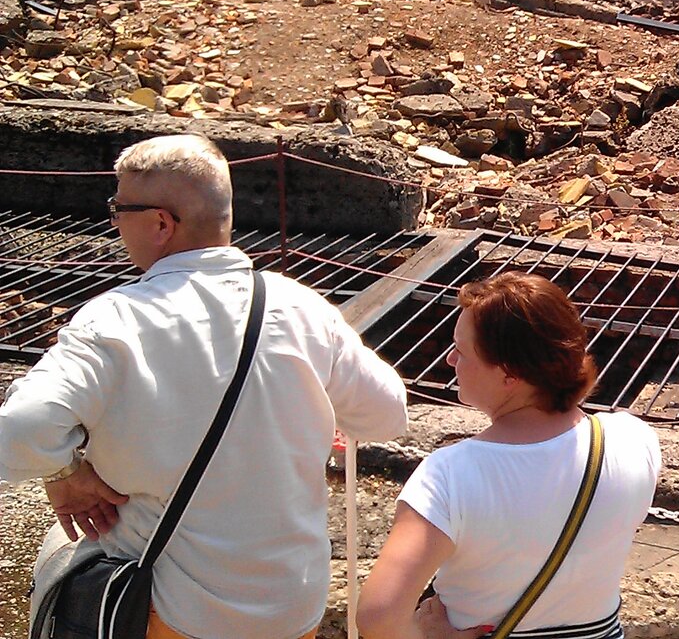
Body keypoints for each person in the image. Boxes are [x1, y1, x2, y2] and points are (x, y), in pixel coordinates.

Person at [0, 133, 409, 639]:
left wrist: (65, 472)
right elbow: (388, 412)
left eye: (117, 207)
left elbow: (18, 428)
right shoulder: (299, 305)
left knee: (56, 555)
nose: (112, 221)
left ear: (159, 223)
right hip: (290, 606)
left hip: (173, 611)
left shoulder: (115, 318)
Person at [359, 272, 661, 639]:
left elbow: (378, 617)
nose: (452, 359)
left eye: (462, 350)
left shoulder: (450, 475)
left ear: (509, 374)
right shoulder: (633, 438)